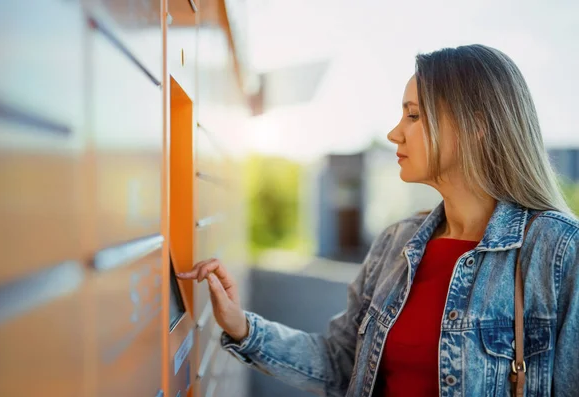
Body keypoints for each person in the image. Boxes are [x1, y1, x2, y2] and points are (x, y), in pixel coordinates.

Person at [177, 44, 579, 396]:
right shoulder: (396, 243)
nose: (394, 133)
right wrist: (242, 327)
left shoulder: (558, 253)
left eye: (414, 116)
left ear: (475, 126)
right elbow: (340, 365)